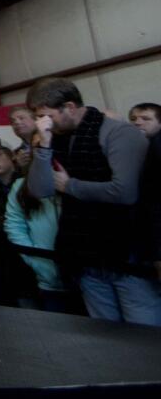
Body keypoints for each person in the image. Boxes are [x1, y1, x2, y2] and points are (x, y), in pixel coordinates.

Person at [27, 77, 157, 325]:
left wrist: (70, 186)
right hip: (85, 255)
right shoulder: (56, 139)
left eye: (46, 115)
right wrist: (43, 147)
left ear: (70, 107)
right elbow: (39, 190)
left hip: (127, 253)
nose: (41, 123)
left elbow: (125, 192)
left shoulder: (119, 133)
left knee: (146, 335)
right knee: (106, 338)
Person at [5, 152, 76, 313]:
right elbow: (14, 225)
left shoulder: (76, 182)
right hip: (46, 274)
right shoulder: (22, 186)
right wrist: (36, 261)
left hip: (84, 276)